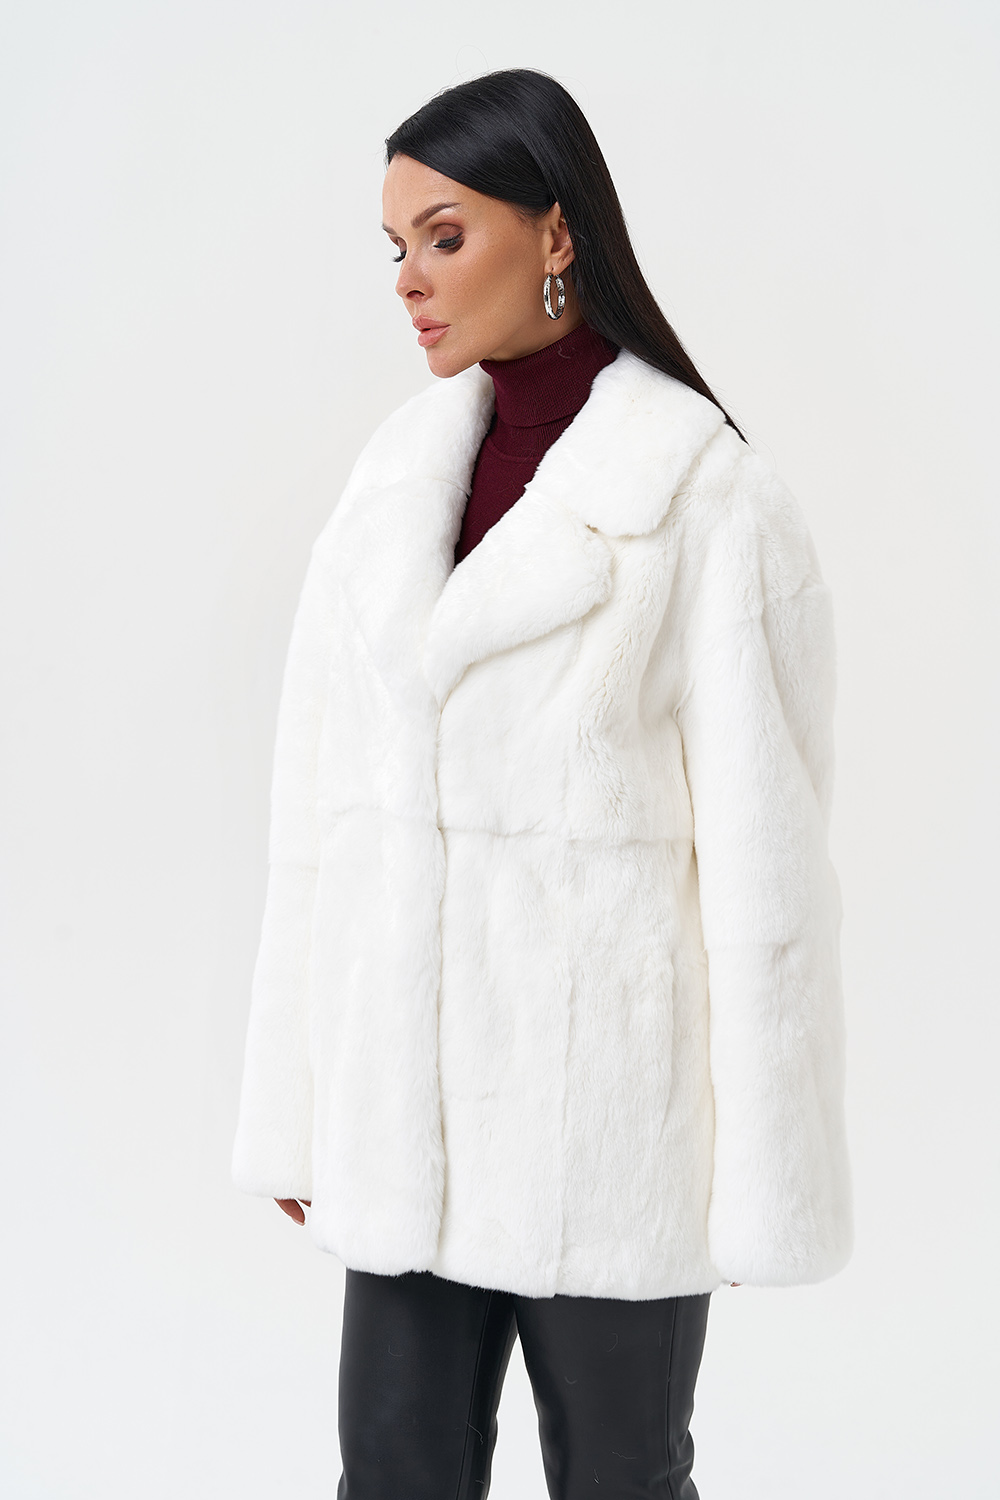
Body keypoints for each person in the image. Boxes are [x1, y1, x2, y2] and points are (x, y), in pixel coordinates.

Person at [231, 67, 852, 1499]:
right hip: (406, 1129)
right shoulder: (389, 489)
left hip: (608, 1132)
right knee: (391, 1472)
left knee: (623, 1477)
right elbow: (316, 829)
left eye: (444, 236)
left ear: (557, 233)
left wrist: (760, 1178)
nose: (409, 279)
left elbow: (768, 869)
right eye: (396, 246)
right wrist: (303, 1106)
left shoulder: (704, 494)